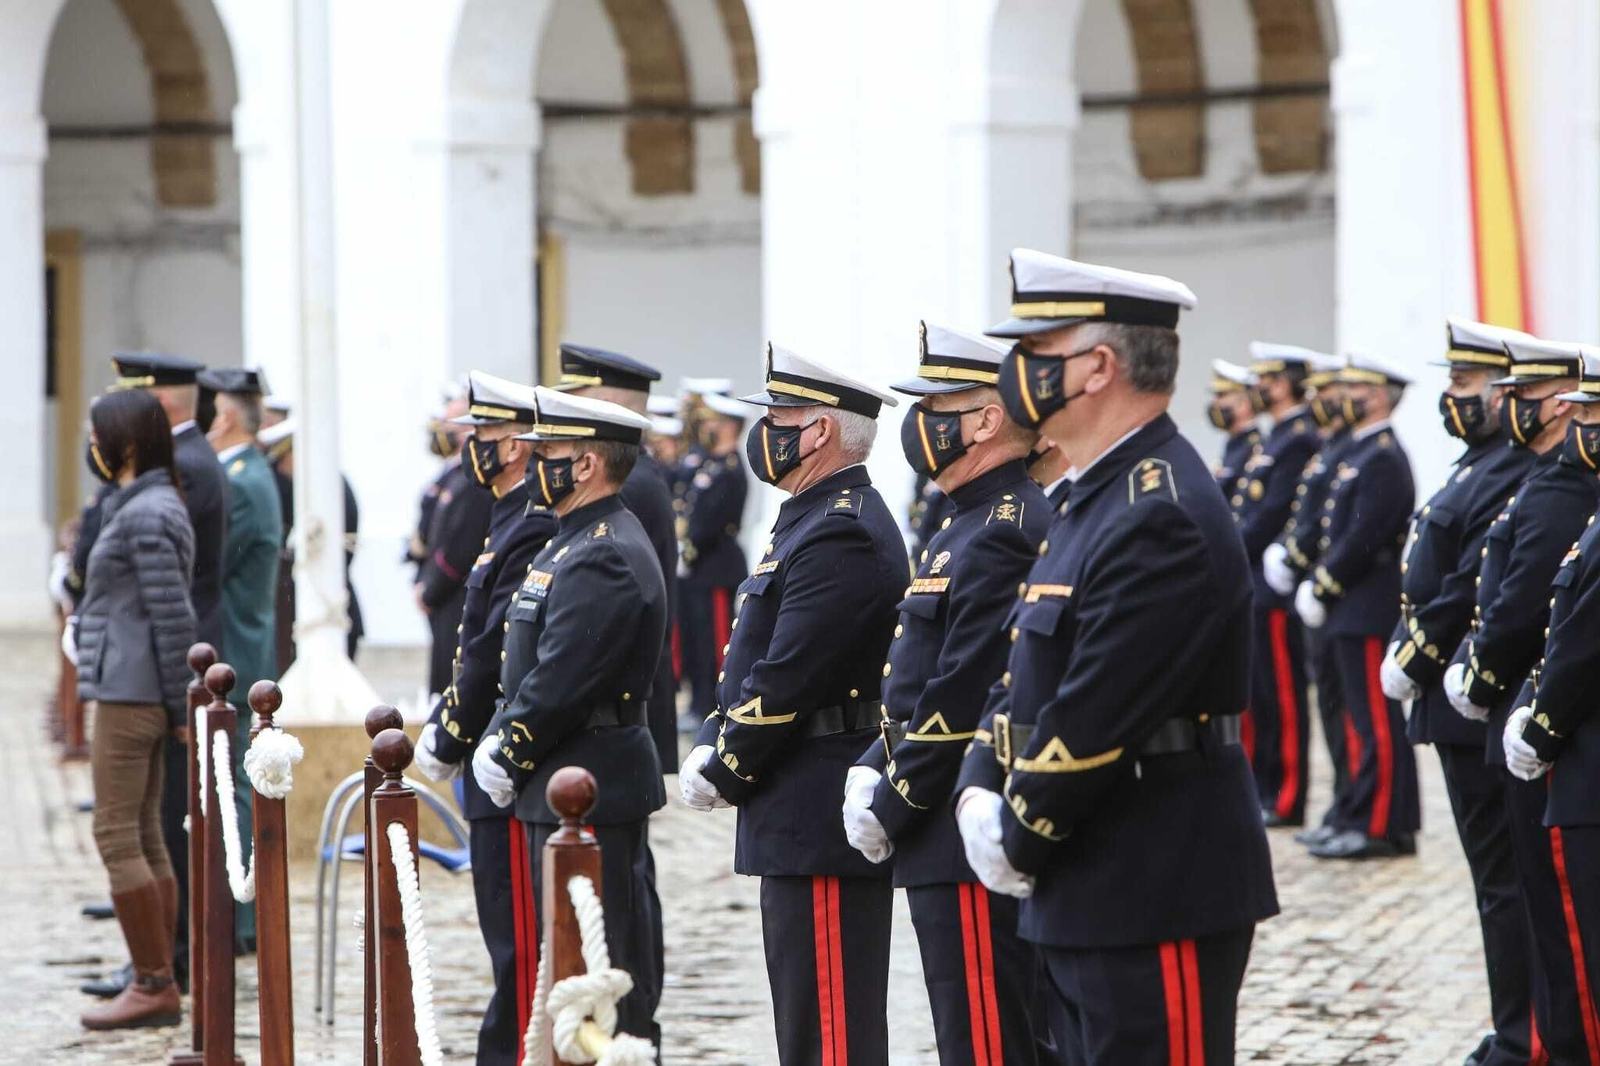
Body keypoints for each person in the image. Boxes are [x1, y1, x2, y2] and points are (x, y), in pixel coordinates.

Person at [953, 249, 1278, 1064]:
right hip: (1090, 878)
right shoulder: (1095, 496)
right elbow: (1026, 669)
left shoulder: (1156, 509)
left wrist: (1017, 832)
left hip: (1151, 877)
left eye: (1037, 354)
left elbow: (1098, 705)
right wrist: (975, 785)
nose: (1016, 373)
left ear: (1098, 367)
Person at [679, 345, 907, 1065]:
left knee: (830, 1030)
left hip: (817, 803)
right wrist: (718, 730)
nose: (764, 432)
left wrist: (727, 760)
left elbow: (791, 674)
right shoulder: (809, 516)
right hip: (796, 800)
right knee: (805, 1022)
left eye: (779, 417)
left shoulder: (840, 525)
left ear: (819, 434)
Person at [845, 321, 1054, 1064]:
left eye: (938, 408)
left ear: (988, 419)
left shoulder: (1005, 524)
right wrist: (875, 758)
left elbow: (965, 686)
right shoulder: (962, 520)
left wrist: (897, 797)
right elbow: (921, 671)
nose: (919, 426)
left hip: (956, 816)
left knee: (988, 1040)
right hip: (936, 813)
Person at [468, 387, 667, 1046]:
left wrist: (507, 747)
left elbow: (563, 678)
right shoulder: (572, 538)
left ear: (586, 464)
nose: (537, 460)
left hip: (589, 782)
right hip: (560, 782)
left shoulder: (604, 549)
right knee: (566, 976)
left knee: (600, 979)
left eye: (550, 450)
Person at [1379, 319, 1535, 1066]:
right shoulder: (1477, 462)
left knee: (1505, 878)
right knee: (1494, 877)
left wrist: (1418, 653)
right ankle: (1517, 1023)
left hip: (1469, 690)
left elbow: (1471, 579)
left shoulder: (1509, 466)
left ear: (1505, 397)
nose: (1452, 398)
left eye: (1464, 387)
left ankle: (1524, 1031)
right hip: (1449, 699)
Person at [1440, 337, 1598, 1061]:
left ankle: (1545, 1042)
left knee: (1556, 910)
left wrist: (1531, 707)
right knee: (1535, 901)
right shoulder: (1548, 485)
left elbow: (1544, 613)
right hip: (1534, 716)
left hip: (1568, 743)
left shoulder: (1565, 493)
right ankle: (1540, 1036)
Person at [412, 372, 557, 1064]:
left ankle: (518, 1047)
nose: (474, 449)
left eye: (487, 438)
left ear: (521, 448)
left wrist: (454, 730)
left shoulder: (529, 521)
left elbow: (498, 643)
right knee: (501, 920)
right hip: (487, 746)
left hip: (508, 748)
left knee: (518, 929)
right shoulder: (505, 512)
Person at [77, 352, 229, 999]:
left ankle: (153, 979)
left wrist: (178, 709)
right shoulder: (145, 502)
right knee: (142, 831)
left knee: (117, 832)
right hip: (131, 683)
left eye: (100, 435)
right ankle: (159, 971)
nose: (93, 447)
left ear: (128, 442)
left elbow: (173, 619)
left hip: (133, 689)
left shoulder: (148, 511)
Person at [1501, 343, 1600, 1065]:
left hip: (1586, 765)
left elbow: (1582, 643)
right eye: (1585, 412)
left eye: (1596, 415)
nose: (1585, 428)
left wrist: (1541, 722)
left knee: (1582, 940)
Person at [1293, 353, 1419, 859]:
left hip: (1365, 604)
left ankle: (1383, 824)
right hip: (1349, 606)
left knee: (1377, 723)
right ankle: (1356, 811)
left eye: (1357, 388)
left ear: (1381, 395)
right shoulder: (1359, 452)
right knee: (1354, 718)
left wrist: (1324, 584)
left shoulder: (1383, 455)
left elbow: (1366, 536)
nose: (1346, 397)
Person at [550, 344, 680, 777]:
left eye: (575, 403)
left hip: (615, 712)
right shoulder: (634, 475)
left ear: (604, 408)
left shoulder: (629, 485)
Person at [199, 366, 283, 952]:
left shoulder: (244, 482)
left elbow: (210, 568)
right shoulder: (248, 474)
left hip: (236, 646)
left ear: (224, 416)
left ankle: (244, 917)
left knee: (240, 780)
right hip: (238, 642)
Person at [1264, 354, 1358, 842]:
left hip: (1340, 595)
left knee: (1352, 715)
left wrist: (1304, 568)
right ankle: (1346, 809)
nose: (1323, 401)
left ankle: (1361, 815)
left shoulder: (1318, 441)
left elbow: (1350, 528)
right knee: (1333, 711)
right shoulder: (1329, 445)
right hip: (1305, 588)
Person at [1235, 345, 1324, 828]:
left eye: (1267, 379)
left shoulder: (1298, 438)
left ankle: (1287, 796)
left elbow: (1271, 513)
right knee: (1260, 695)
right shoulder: (1275, 438)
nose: (1260, 388)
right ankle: (1268, 787)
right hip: (1253, 583)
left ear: (1288, 381)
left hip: (1273, 587)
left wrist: (1234, 546)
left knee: (1284, 698)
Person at [254, 416, 365, 663]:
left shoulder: (327, 490)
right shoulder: (312, 487)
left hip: (324, 609)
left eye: (282, 461)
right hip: (303, 611)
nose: (280, 470)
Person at [677, 391, 750, 733]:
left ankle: (715, 706)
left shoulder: (731, 469)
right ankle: (698, 703)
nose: (706, 428)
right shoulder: (710, 464)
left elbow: (712, 523)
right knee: (696, 641)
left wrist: (690, 548)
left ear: (729, 426)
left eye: (712, 422)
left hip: (717, 568)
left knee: (716, 643)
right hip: (698, 569)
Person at [414, 389, 491, 695]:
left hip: (454, 595)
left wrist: (430, 591)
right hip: (443, 597)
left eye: (451, 424)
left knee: (453, 680)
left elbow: (461, 548)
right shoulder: (455, 476)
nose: (443, 431)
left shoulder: (471, 480)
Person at [1205, 359, 1262, 494]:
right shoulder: (1234, 444)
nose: (1214, 403)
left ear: (1244, 403)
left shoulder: (1254, 448)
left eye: (1221, 395)